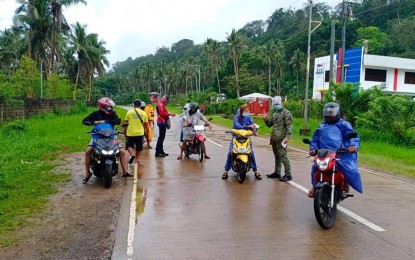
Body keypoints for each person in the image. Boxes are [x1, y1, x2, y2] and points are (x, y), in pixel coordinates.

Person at [307, 102, 362, 198]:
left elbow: (353, 137)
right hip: (324, 154)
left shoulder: (344, 125)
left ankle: (345, 183)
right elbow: (315, 140)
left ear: (337, 112)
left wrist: (352, 146)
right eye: (328, 112)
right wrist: (313, 149)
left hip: (341, 153)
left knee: (349, 168)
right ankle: (315, 186)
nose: (330, 115)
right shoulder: (321, 127)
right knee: (315, 168)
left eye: (332, 112)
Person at [82, 97, 131, 184]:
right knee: (88, 151)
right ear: (102, 107)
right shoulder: (95, 114)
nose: (110, 108)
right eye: (108, 107)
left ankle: (125, 171)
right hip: (97, 137)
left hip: (111, 137)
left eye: (110, 107)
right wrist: (95, 122)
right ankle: (87, 172)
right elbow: (85, 121)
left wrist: (106, 121)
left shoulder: (112, 114)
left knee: (122, 152)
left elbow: (118, 121)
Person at [222, 104, 262, 180]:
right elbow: (237, 126)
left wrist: (254, 130)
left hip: (246, 138)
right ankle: (226, 171)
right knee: (230, 152)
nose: (247, 112)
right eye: (245, 111)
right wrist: (248, 126)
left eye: (247, 111)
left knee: (251, 153)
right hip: (236, 137)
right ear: (242, 111)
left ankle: (255, 171)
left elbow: (252, 125)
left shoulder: (249, 117)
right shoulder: (236, 117)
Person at [262, 96, 293, 182]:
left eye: (278, 104)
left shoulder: (287, 113)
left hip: (282, 138)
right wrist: (265, 119)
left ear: (283, 103)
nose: (276, 105)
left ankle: (288, 174)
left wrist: (288, 136)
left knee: (283, 155)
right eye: (275, 104)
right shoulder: (275, 114)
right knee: (277, 156)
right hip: (275, 138)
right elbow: (269, 124)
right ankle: (277, 172)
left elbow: (289, 126)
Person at [124, 99, 150, 165]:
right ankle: (136, 159)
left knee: (129, 146)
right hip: (140, 133)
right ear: (140, 105)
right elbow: (146, 125)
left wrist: (125, 131)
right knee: (139, 147)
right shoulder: (144, 113)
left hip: (130, 132)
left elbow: (125, 123)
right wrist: (147, 133)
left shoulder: (129, 112)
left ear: (134, 105)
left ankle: (132, 154)